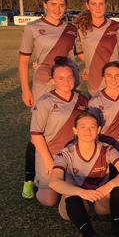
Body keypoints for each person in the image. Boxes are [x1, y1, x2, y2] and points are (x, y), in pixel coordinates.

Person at [19, 0, 78, 199]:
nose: (58, 8)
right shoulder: (32, 27)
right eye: (53, 4)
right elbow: (24, 60)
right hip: (42, 86)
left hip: (67, 83)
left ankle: (66, 171)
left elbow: (75, 55)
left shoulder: (71, 28)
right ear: (45, 5)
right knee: (37, 132)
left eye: (62, 4)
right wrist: (26, 89)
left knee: (65, 127)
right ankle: (29, 178)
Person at [49, 112, 119, 237]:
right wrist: (81, 192)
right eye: (82, 127)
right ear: (75, 130)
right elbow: (54, 182)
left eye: (92, 127)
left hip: (101, 199)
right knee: (70, 196)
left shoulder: (107, 149)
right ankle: (89, 234)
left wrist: (109, 186)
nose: (88, 131)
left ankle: (117, 231)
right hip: (80, 201)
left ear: (98, 130)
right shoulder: (66, 153)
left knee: (118, 189)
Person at [30, 58, 89, 207]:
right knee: (50, 200)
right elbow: (36, 135)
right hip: (51, 154)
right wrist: (49, 161)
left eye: (70, 77)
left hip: (73, 155)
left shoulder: (82, 100)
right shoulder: (45, 101)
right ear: (53, 81)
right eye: (60, 78)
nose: (66, 81)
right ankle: (38, 184)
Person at [75, 0, 119, 96]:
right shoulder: (81, 28)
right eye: (93, 4)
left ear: (106, 5)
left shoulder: (116, 26)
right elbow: (81, 53)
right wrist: (90, 65)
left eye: (101, 4)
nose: (97, 8)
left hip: (114, 78)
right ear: (87, 5)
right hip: (94, 79)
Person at [88, 61, 119, 151]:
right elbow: (93, 130)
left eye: (117, 76)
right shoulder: (95, 101)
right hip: (107, 148)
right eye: (109, 76)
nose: (113, 79)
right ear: (103, 76)